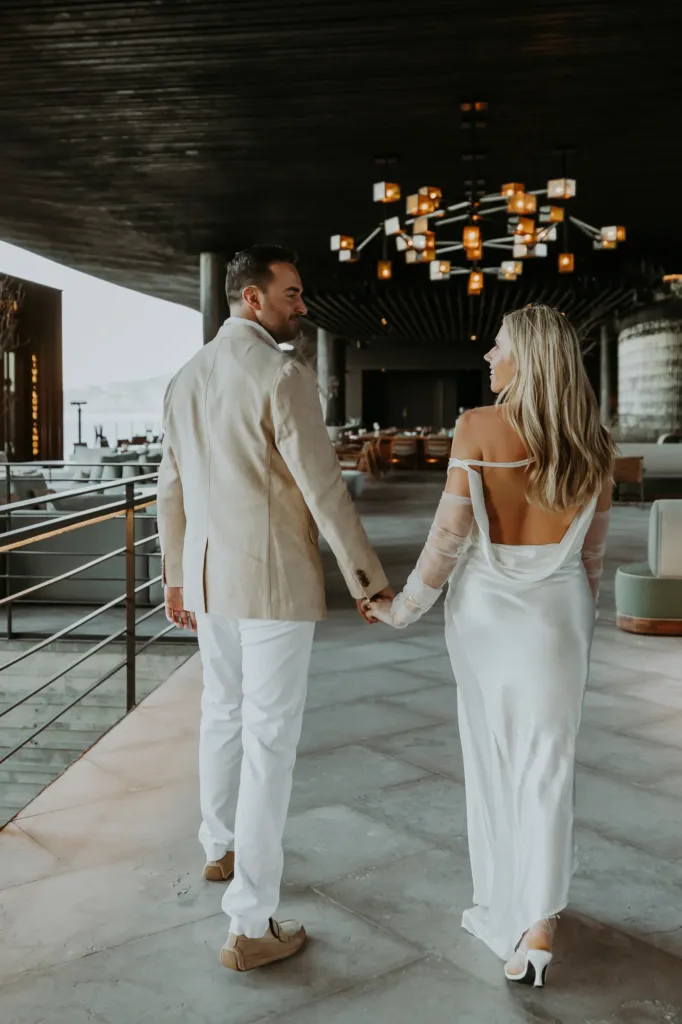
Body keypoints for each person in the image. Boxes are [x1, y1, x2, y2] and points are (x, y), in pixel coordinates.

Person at [157, 245, 392, 972]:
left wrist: (175, 578)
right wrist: (366, 579)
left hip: (208, 580)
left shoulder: (185, 377)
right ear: (252, 298)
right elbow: (323, 487)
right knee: (269, 741)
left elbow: (170, 487)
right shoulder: (283, 375)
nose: (303, 305)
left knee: (222, 711)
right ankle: (250, 923)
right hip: (270, 581)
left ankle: (218, 846)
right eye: (291, 293)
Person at [370, 305, 613, 988]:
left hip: (485, 615)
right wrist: (576, 621)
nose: (488, 357)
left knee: (492, 757)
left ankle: (510, 901)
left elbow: (448, 538)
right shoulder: (593, 440)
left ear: (527, 357)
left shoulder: (478, 425)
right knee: (550, 763)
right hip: (561, 614)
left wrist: (403, 609)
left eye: (498, 346)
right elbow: (591, 558)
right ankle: (541, 923)